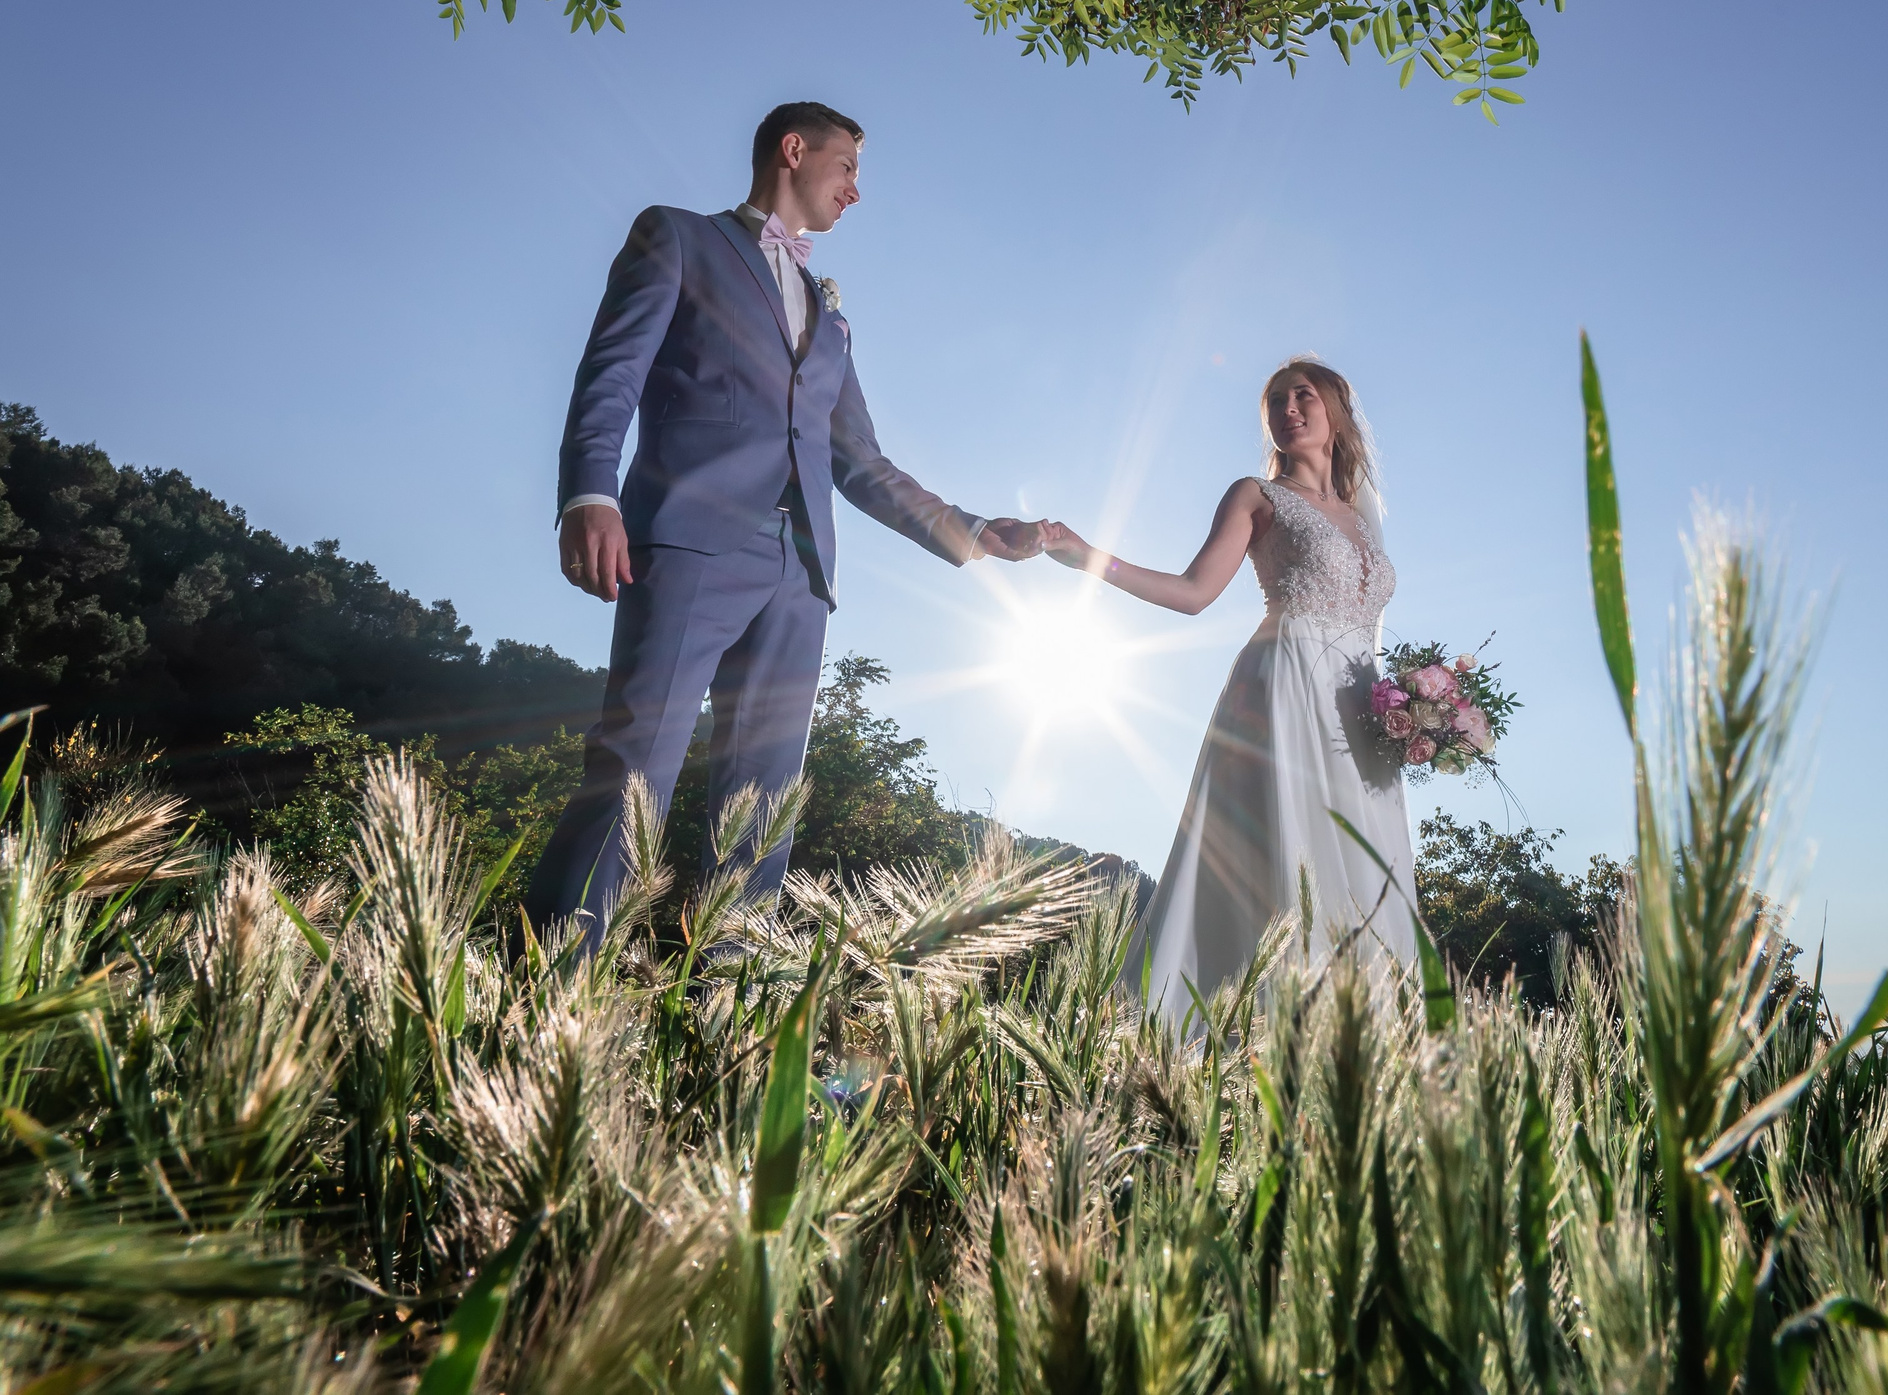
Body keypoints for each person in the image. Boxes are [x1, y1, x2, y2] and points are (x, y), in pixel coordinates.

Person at [528, 101, 1043, 944]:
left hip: (801, 578)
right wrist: (590, 491)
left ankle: (724, 1015)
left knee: (762, 807)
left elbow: (862, 461)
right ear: (793, 151)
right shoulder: (680, 238)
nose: (856, 192)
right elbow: (612, 373)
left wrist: (976, 532)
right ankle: (547, 987)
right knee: (634, 768)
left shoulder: (833, 318)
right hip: (689, 542)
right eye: (848, 169)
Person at [1039, 357, 1416, 1021]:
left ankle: (1361, 1045)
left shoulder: (1365, 518)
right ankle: (1244, 1037)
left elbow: (1372, 631)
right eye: (1276, 400)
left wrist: (1412, 712)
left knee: (1369, 874)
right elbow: (1191, 594)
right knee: (1282, 857)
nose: (1288, 408)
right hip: (1284, 690)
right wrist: (1090, 556)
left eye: (1304, 396)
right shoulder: (1256, 495)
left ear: (1337, 414)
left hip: (1362, 717)